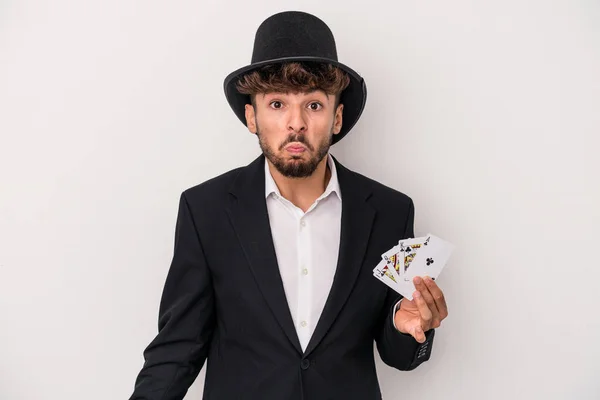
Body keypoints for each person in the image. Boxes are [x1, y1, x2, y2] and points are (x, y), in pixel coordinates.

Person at [129, 10, 448, 400]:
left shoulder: (390, 211)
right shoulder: (206, 210)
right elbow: (177, 348)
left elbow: (397, 353)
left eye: (313, 105)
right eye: (277, 104)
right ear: (252, 116)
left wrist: (406, 326)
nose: (295, 123)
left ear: (336, 117)